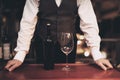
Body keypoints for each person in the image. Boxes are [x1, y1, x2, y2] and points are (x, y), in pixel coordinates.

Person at [5, 0, 113, 71]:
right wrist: (20, 55)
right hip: (42, 43)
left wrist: (97, 54)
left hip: (68, 45)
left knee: (67, 75)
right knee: (43, 75)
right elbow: (27, 23)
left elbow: (89, 23)